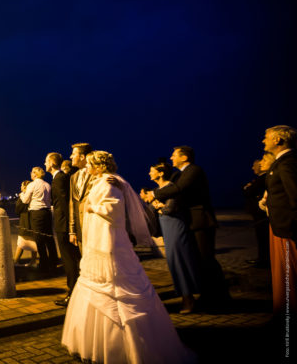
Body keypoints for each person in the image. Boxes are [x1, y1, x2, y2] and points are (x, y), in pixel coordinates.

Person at [61, 151, 194, 364]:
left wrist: (90, 206)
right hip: (98, 242)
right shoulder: (103, 181)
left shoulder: (110, 182)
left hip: (108, 244)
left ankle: (126, 346)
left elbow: (113, 209)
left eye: (90, 164)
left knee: (116, 288)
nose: (87, 167)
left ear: (98, 165)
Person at [160, 146, 230, 311]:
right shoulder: (180, 173)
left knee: (206, 259)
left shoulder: (193, 170)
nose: (171, 157)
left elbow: (178, 189)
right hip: (191, 221)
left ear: (184, 157)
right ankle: (209, 295)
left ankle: (220, 297)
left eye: (174, 155)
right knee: (198, 260)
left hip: (201, 221)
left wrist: (155, 194)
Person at [143, 161, 201, 314]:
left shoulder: (171, 188)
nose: (149, 173)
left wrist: (158, 205)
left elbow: (170, 208)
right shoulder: (158, 190)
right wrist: (157, 206)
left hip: (176, 226)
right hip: (166, 227)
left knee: (180, 260)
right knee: (173, 262)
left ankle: (189, 298)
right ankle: (185, 296)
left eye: (152, 170)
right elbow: (152, 208)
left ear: (161, 173)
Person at [262, 125, 297, 328]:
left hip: (287, 228)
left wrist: (292, 226)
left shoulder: (287, 163)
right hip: (279, 226)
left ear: (277, 140)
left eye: (266, 137)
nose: (263, 141)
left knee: (288, 273)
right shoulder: (282, 162)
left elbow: (295, 197)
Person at [46, 152, 80, 307]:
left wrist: (70, 227)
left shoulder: (59, 179)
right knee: (72, 259)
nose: (44, 163)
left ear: (52, 163)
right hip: (64, 224)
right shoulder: (59, 178)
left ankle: (72, 293)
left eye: (46, 161)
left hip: (64, 225)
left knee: (69, 260)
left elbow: (65, 204)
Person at [22, 166, 57, 272]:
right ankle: (53, 261)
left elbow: (25, 200)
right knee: (49, 238)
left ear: (35, 174)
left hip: (36, 213)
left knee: (39, 239)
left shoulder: (32, 185)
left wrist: (22, 194)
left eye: (32, 172)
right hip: (47, 212)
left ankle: (44, 263)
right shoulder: (47, 184)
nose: (31, 174)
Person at [242, 156, 272, 268]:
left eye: (256, 165)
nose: (253, 168)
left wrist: (247, 188)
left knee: (263, 237)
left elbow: (249, 191)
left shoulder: (264, 178)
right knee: (261, 238)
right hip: (258, 213)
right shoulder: (260, 178)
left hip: (261, 214)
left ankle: (264, 260)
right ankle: (262, 258)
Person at [69, 142, 93, 252]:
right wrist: (72, 231)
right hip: (79, 229)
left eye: (73, 154)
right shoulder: (73, 177)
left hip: (94, 227)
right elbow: (72, 204)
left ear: (82, 157)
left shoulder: (97, 173)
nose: (70, 157)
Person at [13, 180, 38, 266]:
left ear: (24, 187)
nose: (20, 187)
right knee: (33, 241)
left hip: (25, 221)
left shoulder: (23, 197)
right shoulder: (34, 196)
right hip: (33, 221)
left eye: (21, 185)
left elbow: (18, 209)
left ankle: (16, 261)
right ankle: (33, 261)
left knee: (21, 242)